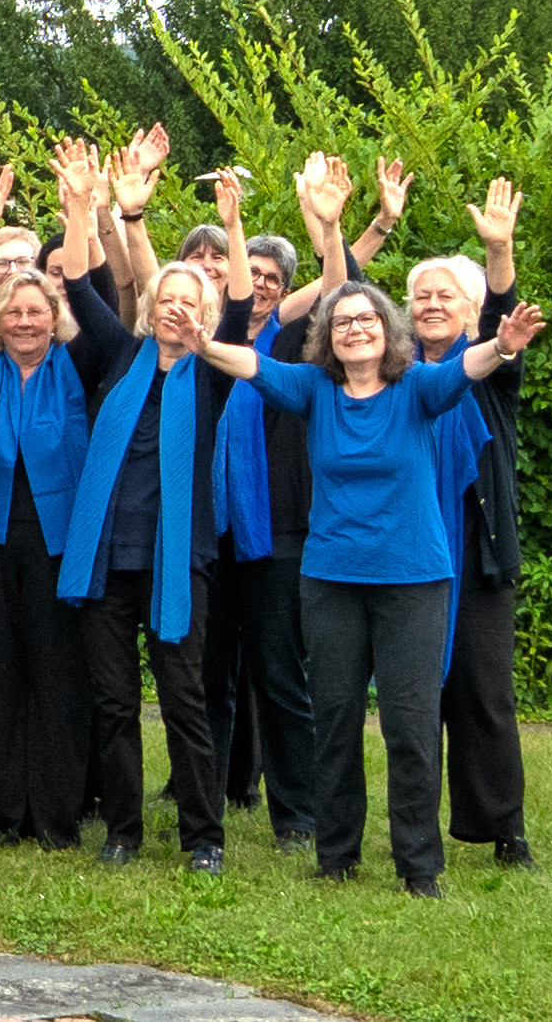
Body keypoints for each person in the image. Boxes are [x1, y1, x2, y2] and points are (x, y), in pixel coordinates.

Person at [181, 278, 544, 897]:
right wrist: (203, 345)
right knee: (337, 719)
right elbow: (256, 365)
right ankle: (337, 855)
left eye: (367, 320)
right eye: (343, 321)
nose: (354, 329)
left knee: (409, 724)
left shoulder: (417, 390)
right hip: (330, 581)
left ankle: (419, 865)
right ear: (328, 336)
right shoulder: (315, 389)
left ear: (387, 331)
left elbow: (469, 368)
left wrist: (503, 346)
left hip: (413, 580)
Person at [52, 142, 252, 874]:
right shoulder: (116, 355)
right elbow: (76, 285)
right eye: (166, 299)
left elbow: (235, 307)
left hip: (176, 562)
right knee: (111, 706)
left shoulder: (212, 373)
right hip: (105, 562)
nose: (176, 309)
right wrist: (81, 208)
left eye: (188, 302)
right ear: (151, 309)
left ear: (201, 316)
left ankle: (203, 838)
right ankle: (123, 832)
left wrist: (230, 227)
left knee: (184, 703)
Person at [0, 201, 134, 848]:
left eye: (36, 312)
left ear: (55, 322)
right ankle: (6, 816)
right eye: (14, 313)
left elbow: (100, 294)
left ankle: (55, 817)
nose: (24, 322)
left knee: (57, 681)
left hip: (59, 549)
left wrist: (81, 212)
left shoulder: (77, 369)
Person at [198, 153, 358, 848]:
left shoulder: (293, 342)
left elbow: (336, 285)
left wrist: (328, 224)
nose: (258, 285)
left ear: (284, 290)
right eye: (250, 275)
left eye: (269, 278)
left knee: (277, 676)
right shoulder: (206, 342)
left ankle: (297, 815)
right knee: (206, 673)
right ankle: (202, 792)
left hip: (276, 531)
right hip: (210, 530)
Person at [411, 178, 538, 871]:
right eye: (421, 297)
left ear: (465, 313)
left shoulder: (488, 372)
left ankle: (503, 830)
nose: (431, 306)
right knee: (414, 698)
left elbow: (500, 321)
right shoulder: (392, 373)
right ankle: (413, 829)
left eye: (445, 297)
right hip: (409, 555)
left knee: (482, 694)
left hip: (478, 551)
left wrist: (498, 251)